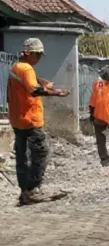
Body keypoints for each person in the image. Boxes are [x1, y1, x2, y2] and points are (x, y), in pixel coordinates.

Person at [7, 37, 71, 205]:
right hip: (30, 120)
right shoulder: (27, 69)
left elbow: (28, 85)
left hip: (17, 119)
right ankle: (33, 189)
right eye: (37, 55)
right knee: (40, 153)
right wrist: (57, 93)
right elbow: (34, 90)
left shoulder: (16, 66)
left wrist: (42, 82)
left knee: (22, 157)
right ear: (29, 53)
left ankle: (24, 192)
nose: (39, 58)